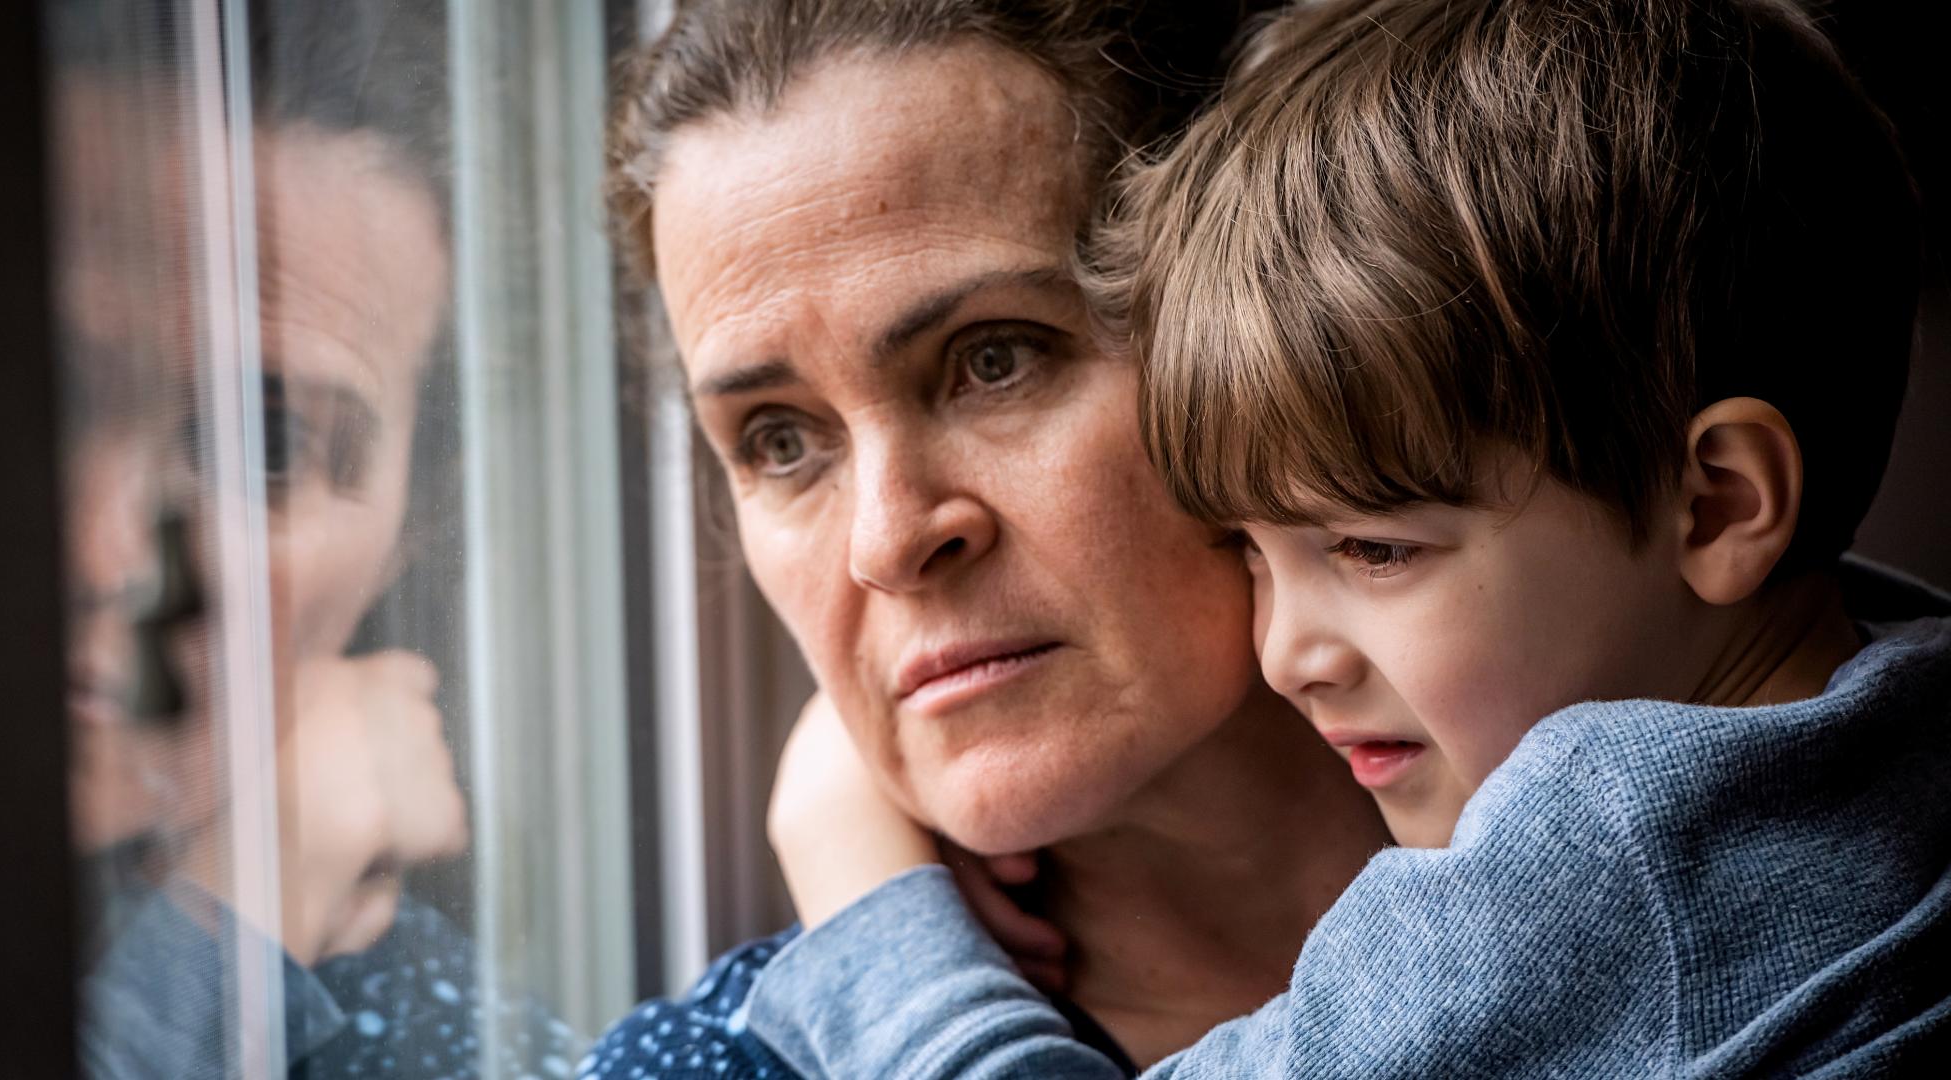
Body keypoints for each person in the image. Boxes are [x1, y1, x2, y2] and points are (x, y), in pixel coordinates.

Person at [739, 0, 1951, 1075]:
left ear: (1720, 505)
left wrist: (858, 884)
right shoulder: (1899, 706)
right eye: (1252, 552)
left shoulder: (1608, 859)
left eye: (1372, 551)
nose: (1290, 654)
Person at [583, 1, 1391, 1076]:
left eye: (994, 360)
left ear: (1259, 326)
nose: (885, 542)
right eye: (780, 441)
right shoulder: (710, 1064)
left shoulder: (1663, 885)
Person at [57, 0, 577, 1074]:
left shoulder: (450, 1045)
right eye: (51, 384)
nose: (102, 553)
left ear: (409, 529)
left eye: (269, 445)